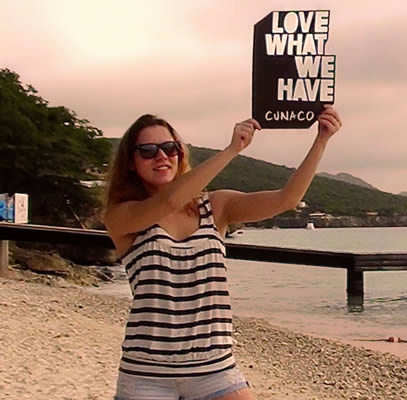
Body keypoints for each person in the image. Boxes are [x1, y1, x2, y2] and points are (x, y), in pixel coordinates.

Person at [102, 106, 342, 400]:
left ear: (180, 153)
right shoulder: (122, 215)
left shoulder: (216, 206)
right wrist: (231, 150)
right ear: (131, 162)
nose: (162, 156)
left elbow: (287, 199)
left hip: (214, 366)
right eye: (148, 151)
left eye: (170, 148)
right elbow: (168, 202)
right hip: (146, 373)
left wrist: (321, 141)